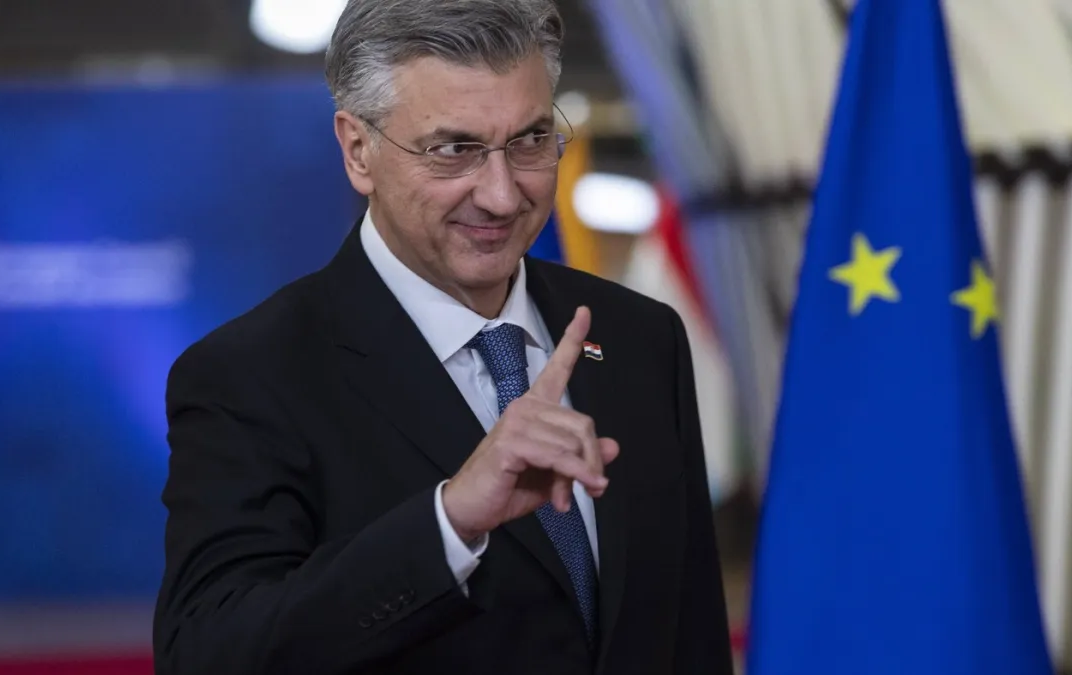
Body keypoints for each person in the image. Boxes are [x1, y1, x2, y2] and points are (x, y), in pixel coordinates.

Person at [152, 0, 733, 673]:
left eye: (530, 141)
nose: (501, 195)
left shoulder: (640, 337)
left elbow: (691, 635)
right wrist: (448, 522)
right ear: (358, 150)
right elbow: (207, 654)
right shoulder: (250, 375)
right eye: (455, 150)